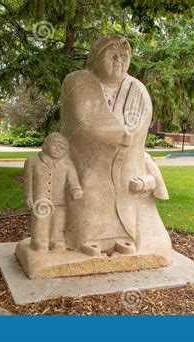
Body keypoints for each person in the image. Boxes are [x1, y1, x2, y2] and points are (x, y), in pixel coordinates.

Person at [60, 34, 171, 260]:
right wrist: (118, 134)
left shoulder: (137, 88)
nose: (119, 61)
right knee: (89, 193)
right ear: (96, 58)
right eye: (113, 55)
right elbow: (81, 122)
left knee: (127, 196)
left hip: (128, 162)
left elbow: (142, 120)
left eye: (124, 56)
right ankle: (86, 240)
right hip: (89, 161)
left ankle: (122, 238)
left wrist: (127, 136)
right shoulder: (77, 81)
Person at [23, 133, 83, 252]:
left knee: (58, 221)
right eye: (55, 145)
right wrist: (28, 195)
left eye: (62, 148)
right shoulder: (33, 161)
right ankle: (40, 241)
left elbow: (73, 181)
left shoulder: (67, 164)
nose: (58, 150)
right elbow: (28, 181)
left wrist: (76, 190)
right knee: (41, 221)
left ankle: (56, 240)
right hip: (41, 200)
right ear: (46, 145)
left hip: (60, 201)